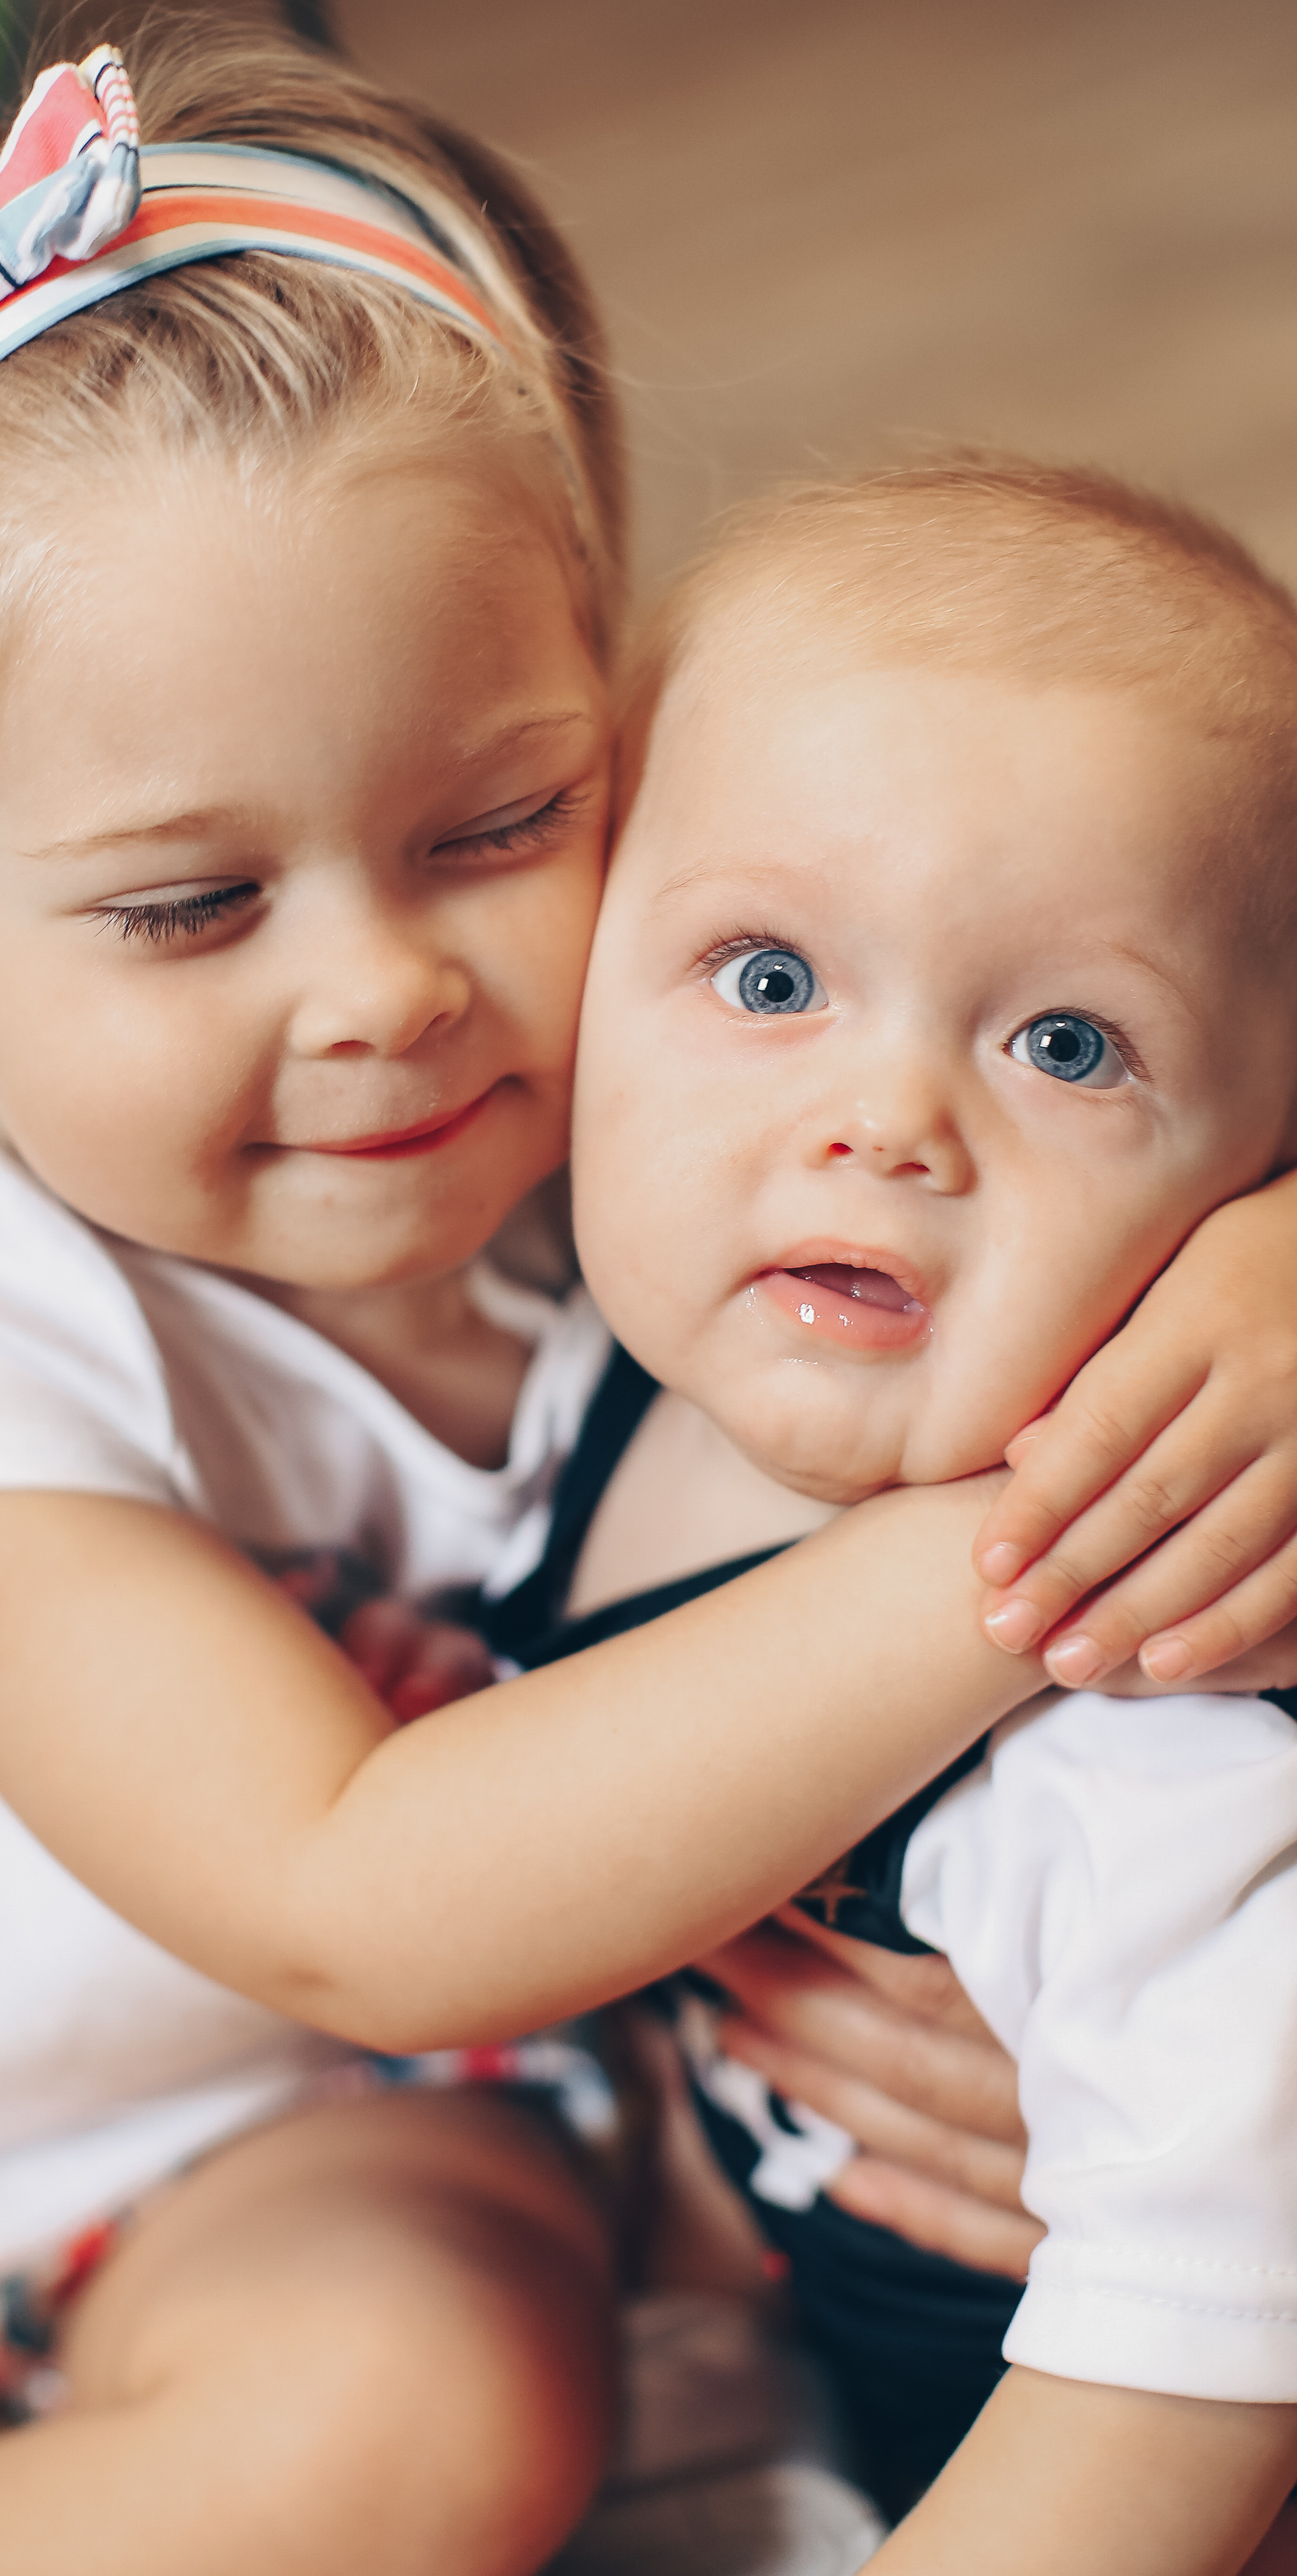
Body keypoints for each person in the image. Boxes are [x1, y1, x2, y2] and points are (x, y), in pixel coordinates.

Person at [0, 18, 1296, 2568]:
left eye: (497, 823)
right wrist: (1075, 1520)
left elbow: (1084, 933)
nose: (384, 993)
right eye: (190, 905)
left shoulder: (720, 1121)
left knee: (423, 2445)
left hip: (322, 2168)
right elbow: (350, 1892)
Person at [539, 454, 1297, 2572]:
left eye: (1070, 1043)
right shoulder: (602, 1370)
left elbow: (1186, 2389)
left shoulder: (1135, 1738)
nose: (884, 1123)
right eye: (769, 979)